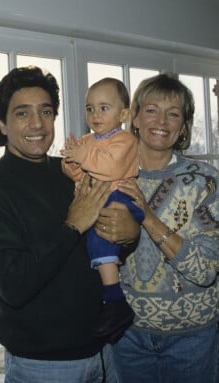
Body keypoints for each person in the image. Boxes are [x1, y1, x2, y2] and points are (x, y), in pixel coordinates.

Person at [0, 66, 140, 383]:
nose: (37, 123)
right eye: (21, 113)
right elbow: (14, 285)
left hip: (108, 351)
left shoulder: (74, 171)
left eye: (46, 111)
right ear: (2, 125)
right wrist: (72, 225)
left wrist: (129, 235)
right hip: (45, 367)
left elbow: (108, 246)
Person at [112, 73, 219, 383]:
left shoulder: (205, 180)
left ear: (183, 125)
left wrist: (148, 216)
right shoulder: (110, 175)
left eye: (173, 113)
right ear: (134, 116)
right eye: (151, 109)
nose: (161, 120)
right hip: (126, 335)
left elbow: (206, 269)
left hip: (191, 338)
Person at [61, 78, 145, 342]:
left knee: (100, 239)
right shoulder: (86, 140)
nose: (95, 115)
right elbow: (77, 175)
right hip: (99, 199)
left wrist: (82, 156)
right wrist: (70, 162)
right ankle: (107, 298)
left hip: (121, 199)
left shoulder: (125, 140)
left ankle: (115, 301)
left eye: (104, 108)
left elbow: (110, 167)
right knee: (89, 243)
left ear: (123, 114)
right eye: (89, 108)